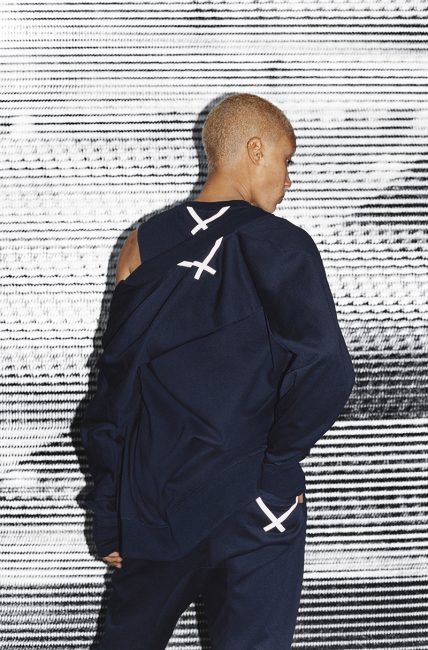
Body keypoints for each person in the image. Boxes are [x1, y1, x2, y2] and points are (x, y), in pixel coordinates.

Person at [80, 92, 355, 649]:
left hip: (154, 504)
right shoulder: (283, 243)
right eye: (286, 160)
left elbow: (115, 388)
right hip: (255, 506)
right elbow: (327, 367)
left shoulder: (143, 244)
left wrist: (109, 510)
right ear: (254, 150)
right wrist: (278, 469)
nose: (289, 180)